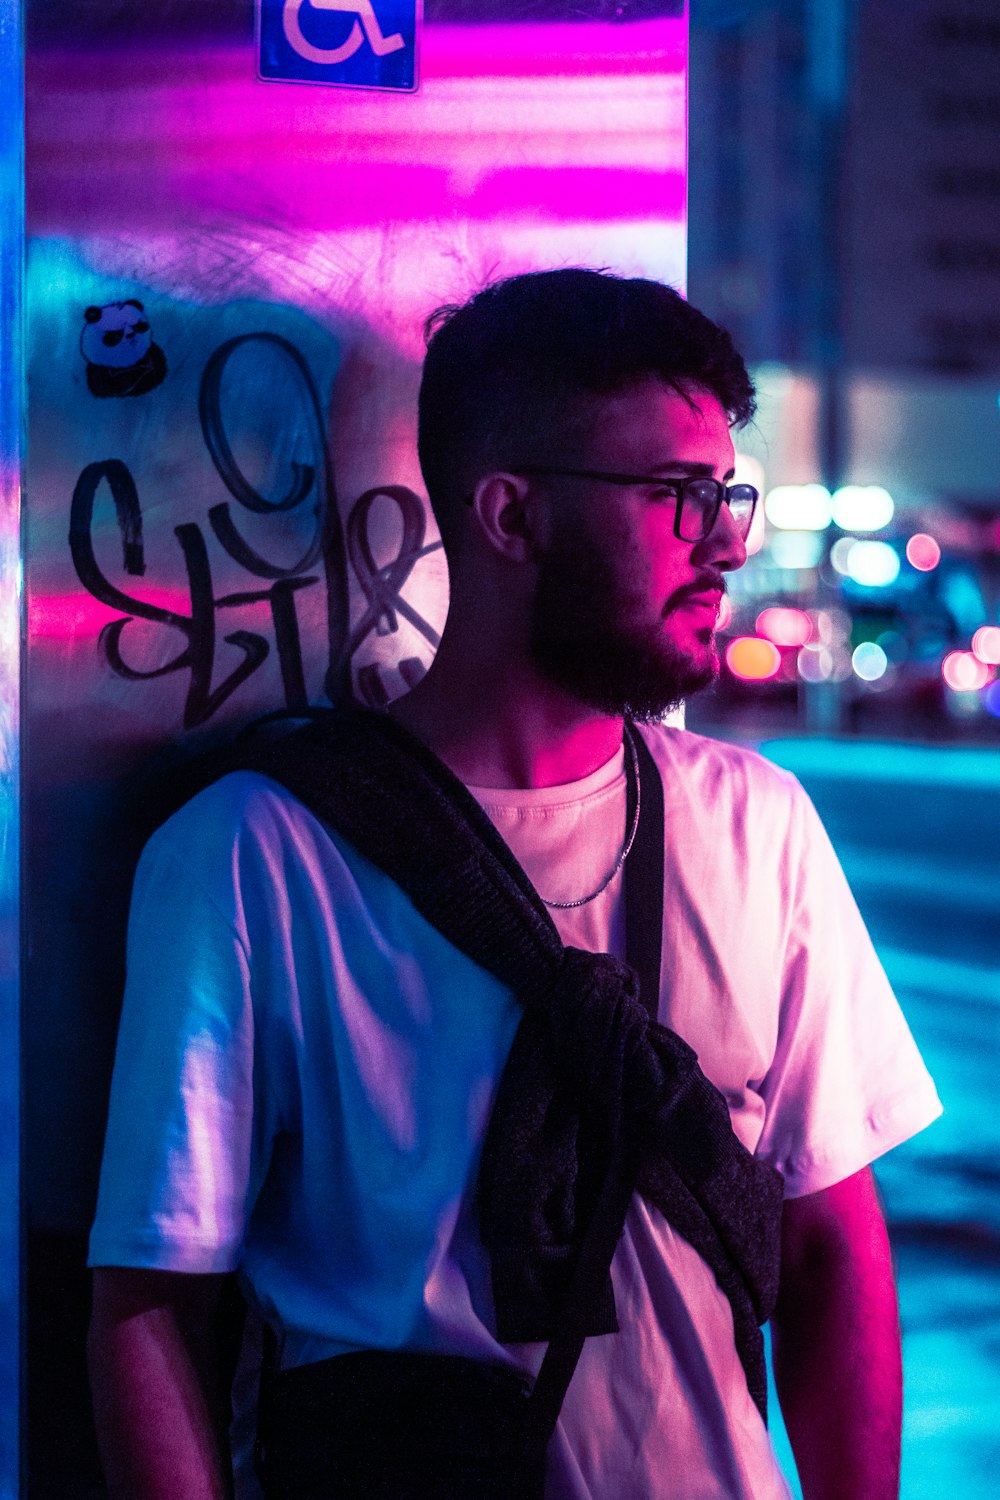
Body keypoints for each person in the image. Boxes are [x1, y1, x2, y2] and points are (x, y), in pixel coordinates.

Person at [87, 269, 941, 1500]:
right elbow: (151, 1306)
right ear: (509, 516)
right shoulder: (255, 857)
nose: (725, 542)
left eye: (725, 493)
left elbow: (827, 1250)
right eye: (674, 496)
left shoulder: (756, 827)